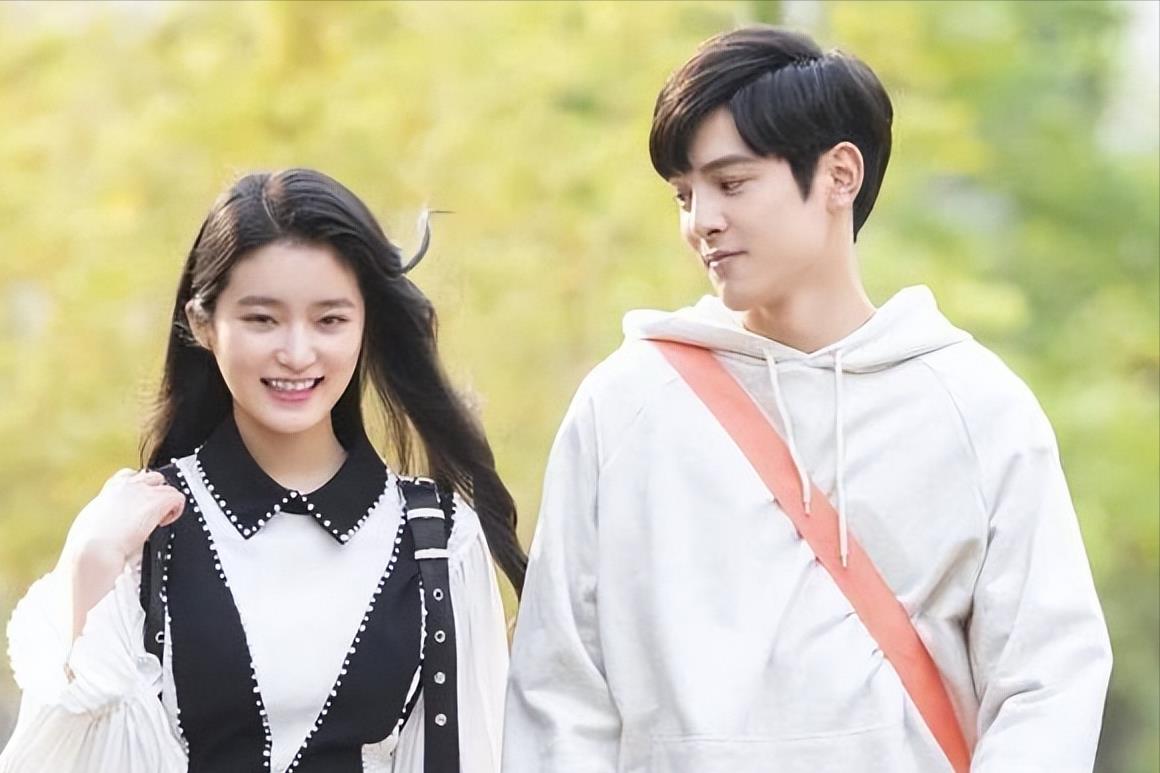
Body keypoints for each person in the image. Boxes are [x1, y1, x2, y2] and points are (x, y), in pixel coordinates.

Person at [503, 25, 1111, 773]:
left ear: (839, 175)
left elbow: (1048, 676)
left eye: (731, 184)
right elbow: (560, 688)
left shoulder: (975, 406)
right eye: (684, 195)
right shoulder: (626, 404)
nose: (701, 222)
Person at [0, 168, 524, 773]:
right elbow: (62, 755)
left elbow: (476, 754)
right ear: (203, 324)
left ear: (367, 325)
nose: (297, 354)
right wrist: (90, 562)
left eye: (330, 320)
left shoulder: (439, 541)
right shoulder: (138, 532)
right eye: (262, 319)